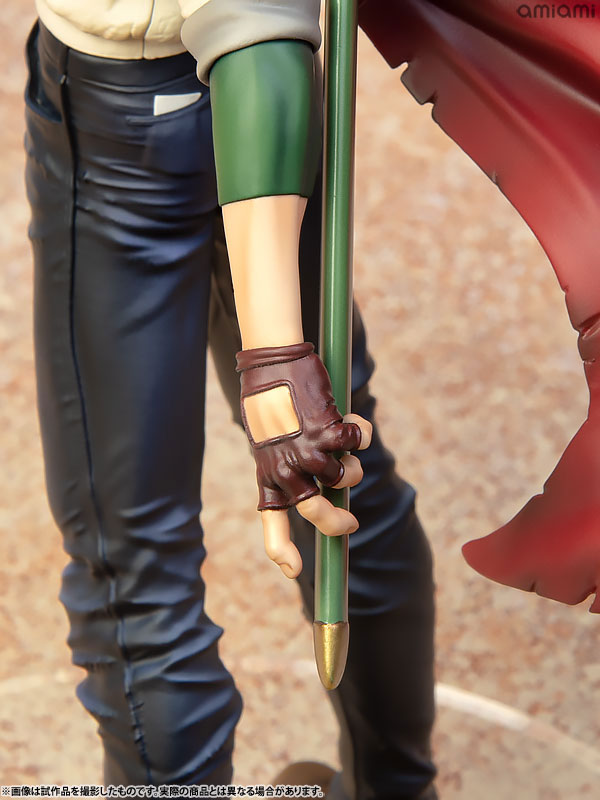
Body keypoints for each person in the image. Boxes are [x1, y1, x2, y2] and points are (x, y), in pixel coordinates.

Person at [25, 1, 438, 797]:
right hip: (275, 107)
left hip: (139, 108)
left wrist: (276, 361)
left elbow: (252, 18)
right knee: (339, 471)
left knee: (133, 573)